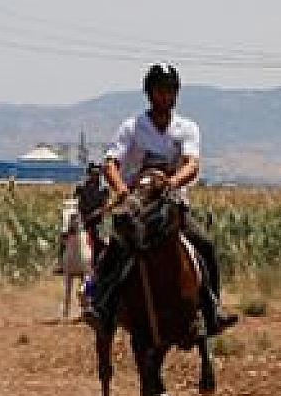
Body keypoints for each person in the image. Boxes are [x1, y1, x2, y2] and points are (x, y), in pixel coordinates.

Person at [82, 62, 238, 338]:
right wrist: (122, 191)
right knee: (116, 250)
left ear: (175, 94)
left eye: (168, 91)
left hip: (172, 205)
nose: (164, 96)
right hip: (135, 207)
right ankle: (101, 305)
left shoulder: (186, 128)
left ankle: (213, 309)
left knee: (204, 245)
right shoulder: (132, 127)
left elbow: (192, 164)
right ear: (149, 93)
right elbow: (111, 163)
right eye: (158, 91)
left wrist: (171, 183)